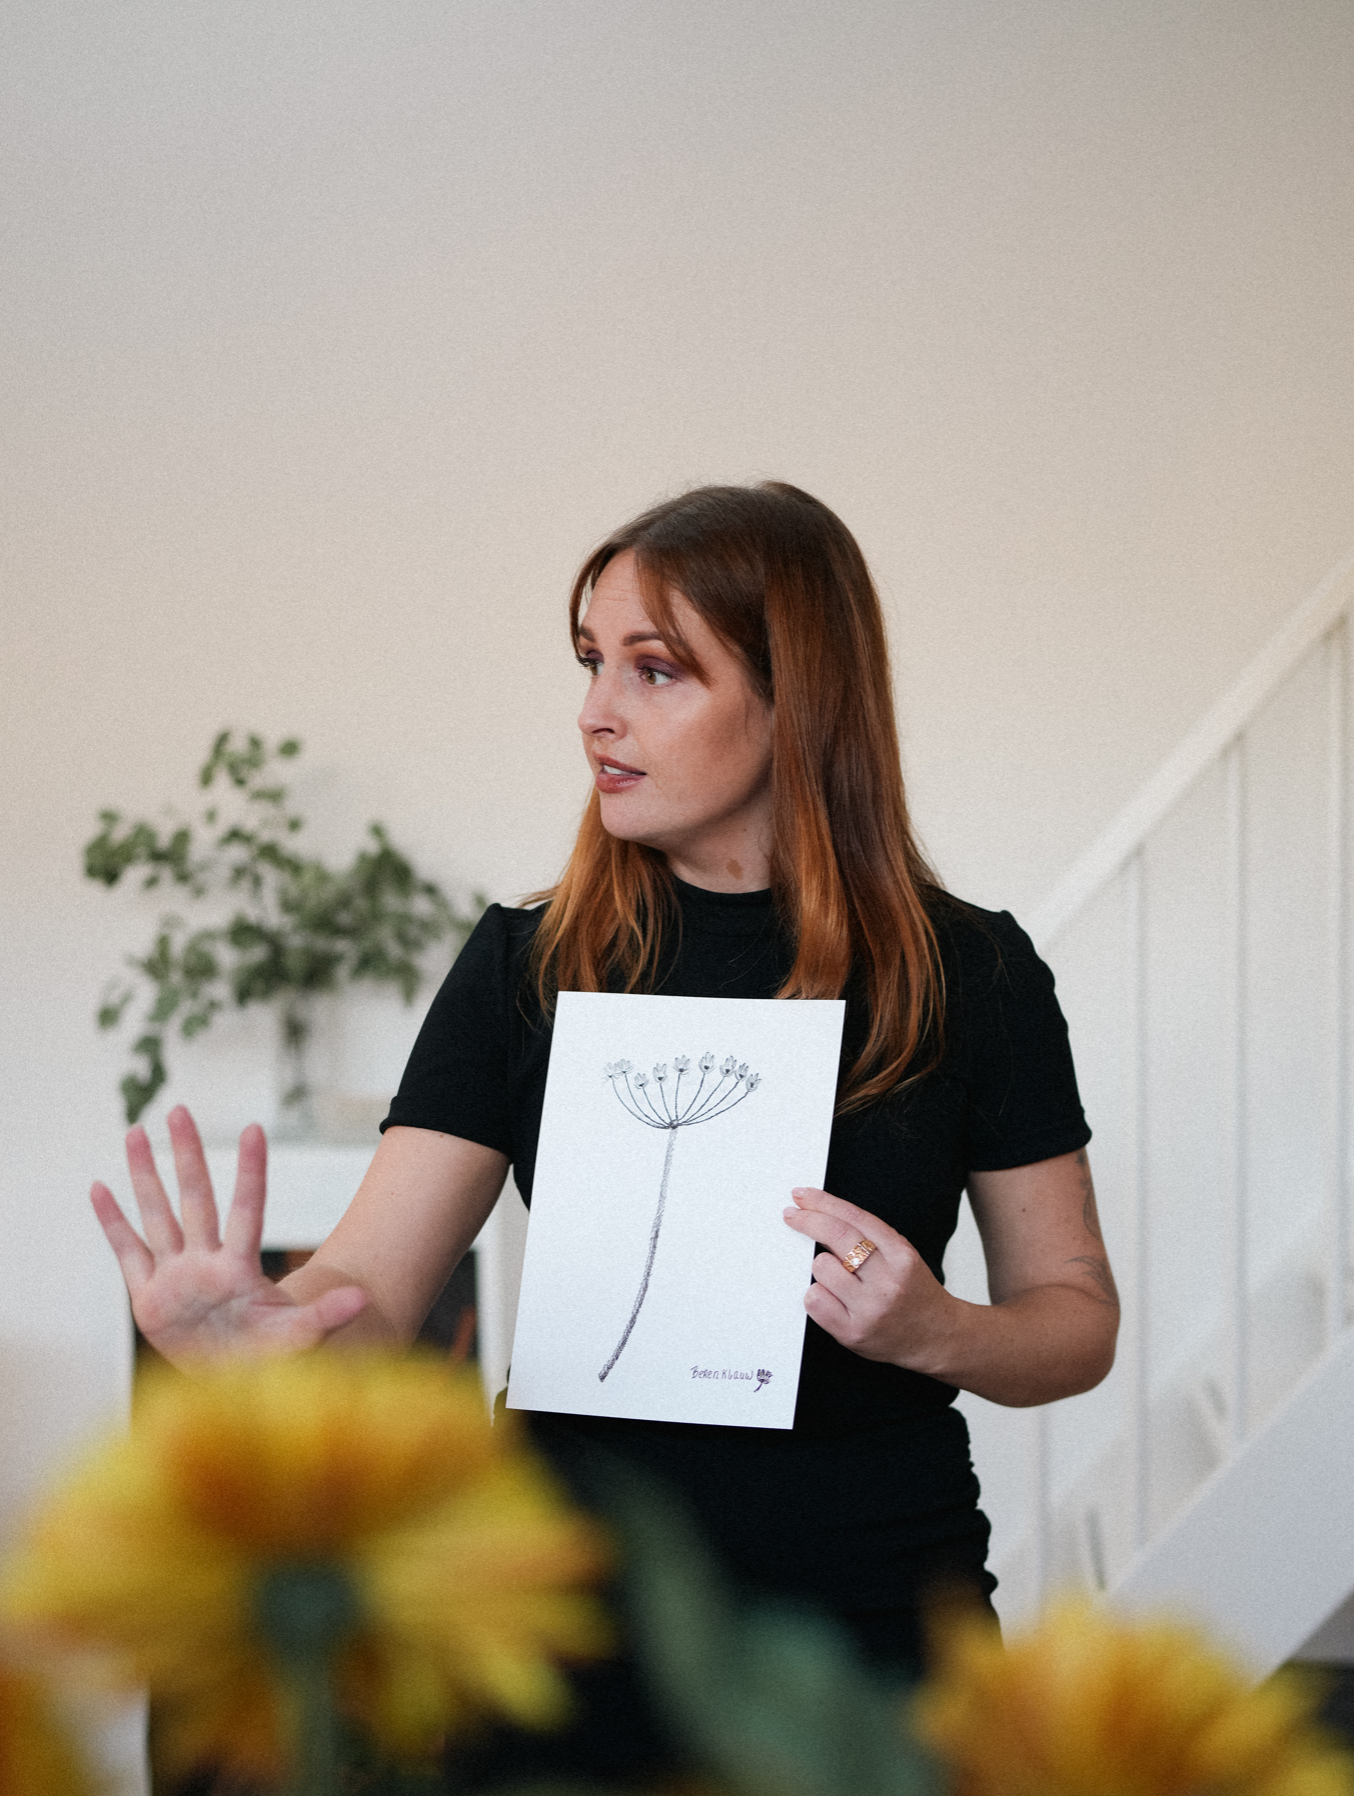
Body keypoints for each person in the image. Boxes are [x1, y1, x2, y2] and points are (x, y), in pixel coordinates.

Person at [93, 481, 1117, 1688]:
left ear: (796, 696)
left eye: (654, 670)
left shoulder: (972, 972)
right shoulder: (523, 965)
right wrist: (266, 1332)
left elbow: (1074, 1319)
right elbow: (368, 1289)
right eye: (591, 662)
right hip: (564, 1618)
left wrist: (938, 1329)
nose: (595, 715)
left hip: (875, 1617)